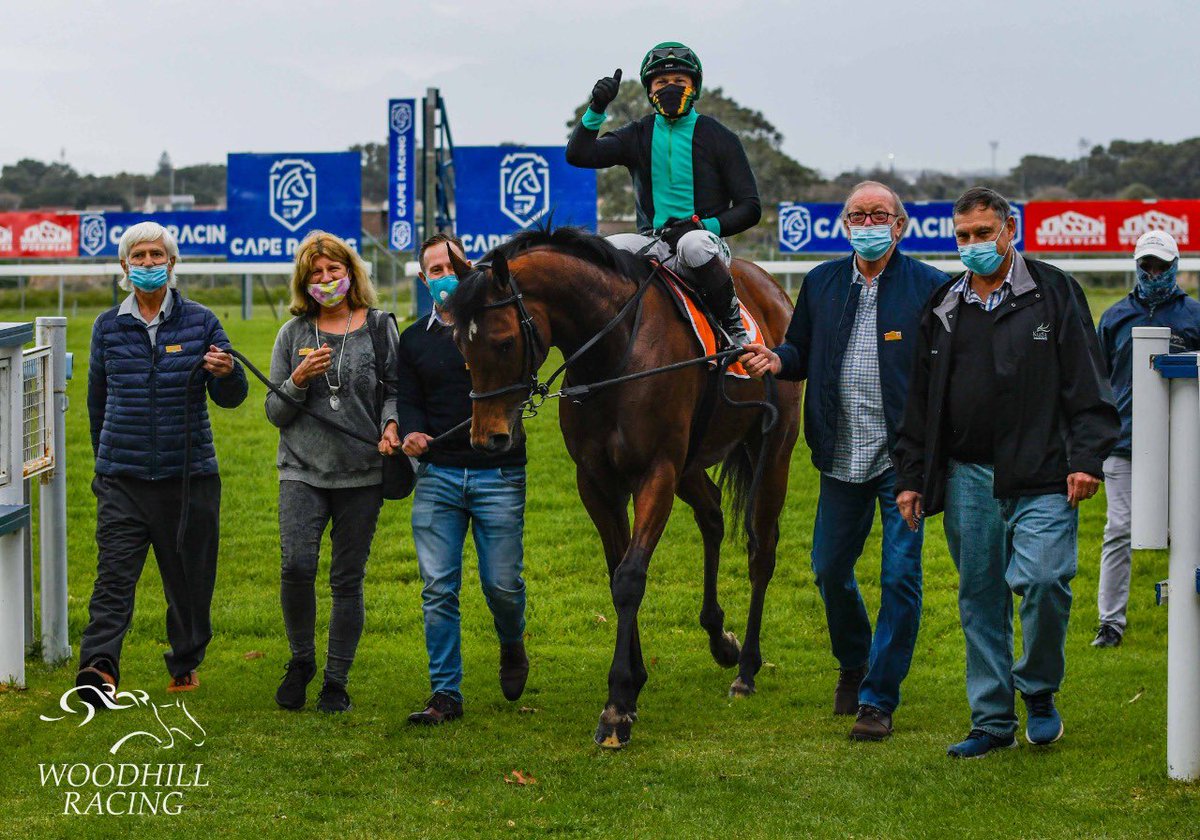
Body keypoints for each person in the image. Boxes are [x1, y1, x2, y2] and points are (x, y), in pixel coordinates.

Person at [892, 187, 1119, 758]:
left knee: (1044, 582)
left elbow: (1088, 381)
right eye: (963, 236)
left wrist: (1086, 459)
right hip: (967, 477)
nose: (972, 244)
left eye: (983, 233)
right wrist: (911, 475)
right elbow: (921, 400)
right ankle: (992, 722)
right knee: (980, 599)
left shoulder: (1054, 291)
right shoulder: (944, 304)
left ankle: (1038, 690)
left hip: (1044, 474)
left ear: (1009, 230)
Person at [739, 182, 948, 741]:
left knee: (899, 578)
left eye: (880, 215)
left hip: (903, 463)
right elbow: (800, 351)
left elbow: (945, 373)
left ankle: (877, 700)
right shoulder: (822, 282)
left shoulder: (930, 286)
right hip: (839, 455)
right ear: (845, 224)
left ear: (900, 226)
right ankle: (854, 662)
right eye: (858, 215)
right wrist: (775, 359)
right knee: (830, 570)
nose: (868, 223)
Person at [77, 221, 247, 705]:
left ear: (171, 264)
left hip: (189, 477)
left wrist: (227, 372)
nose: (148, 263)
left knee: (189, 583)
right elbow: (96, 401)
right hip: (122, 480)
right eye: (139, 256)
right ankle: (98, 668)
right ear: (124, 265)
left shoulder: (202, 322)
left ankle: (185, 662)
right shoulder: (107, 326)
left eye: (156, 255)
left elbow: (232, 397)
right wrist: (105, 465)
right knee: (113, 578)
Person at [266, 231, 400, 713]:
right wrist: (298, 380)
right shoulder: (292, 334)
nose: (326, 279)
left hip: (362, 472)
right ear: (304, 282)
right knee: (296, 566)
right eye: (316, 273)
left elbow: (396, 390)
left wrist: (391, 424)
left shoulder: (380, 326)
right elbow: (275, 413)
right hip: (301, 469)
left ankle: (335, 682)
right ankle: (301, 660)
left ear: (351, 273)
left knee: (347, 579)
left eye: (333, 270)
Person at [398, 233, 529, 725]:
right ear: (423, 279)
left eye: (453, 267)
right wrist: (411, 431)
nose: (445, 277)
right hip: (438, 476)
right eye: (435, 270)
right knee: (438, 588)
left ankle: (511, 643)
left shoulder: (498, 328)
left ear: (469, 268)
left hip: (499, 473)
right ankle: (445, 693)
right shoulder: (413, 340)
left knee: (502, 585)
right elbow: (408, 398)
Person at [566, 41, 760, 346]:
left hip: (705, 247)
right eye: (661, 82)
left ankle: (734, 328)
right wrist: (596, 108)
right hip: (652, 242)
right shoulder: (637, 134)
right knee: (605, 249)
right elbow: (579, 154)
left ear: (694, 88)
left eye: (680, 81)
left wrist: (701, 226)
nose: (671, 88)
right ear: (650, 90)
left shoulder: (719, 137)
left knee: (693, 244)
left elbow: (750, 207)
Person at [1093, 230, 1200, 648]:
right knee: (1119, 529)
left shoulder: (1194, 316)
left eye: (1161, 265)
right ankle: (1110, 623)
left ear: (1175, 266)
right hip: (1124, 442)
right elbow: (1097, 380)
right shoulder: (1115, 317)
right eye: (1147, 265)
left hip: (1183, 443)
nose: (1154, 272)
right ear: (1137, 266)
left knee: (1189, 531)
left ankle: (1189, 611)